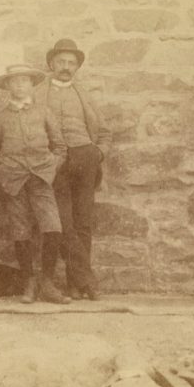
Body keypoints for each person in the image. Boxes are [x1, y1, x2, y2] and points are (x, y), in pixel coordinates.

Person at [34, 38, 112, 301]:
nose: (66, 67)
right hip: (55, 162)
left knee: (83, 222)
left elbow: (104, 132)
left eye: (71, 63)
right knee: (63, 224)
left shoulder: (84, 94)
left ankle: (75, 285)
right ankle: (87, 279)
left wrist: (98, 152)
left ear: (77, 67)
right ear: (51, 64)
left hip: (85, 158)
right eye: (61, 62)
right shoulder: (37, 93)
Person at [0, 64, 71, 304]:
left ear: (31, 85)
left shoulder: (44, 112)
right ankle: (29, 282)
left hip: (41, 180)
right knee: (20, 231)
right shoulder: (1, 119)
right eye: (14, 81)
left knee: (53, 227)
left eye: (24, 81)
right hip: (13, 182)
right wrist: (3, 172)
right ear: (8, 86)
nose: (20, 85)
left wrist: (50, 168)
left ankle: (47, 282)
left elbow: (60, 147)